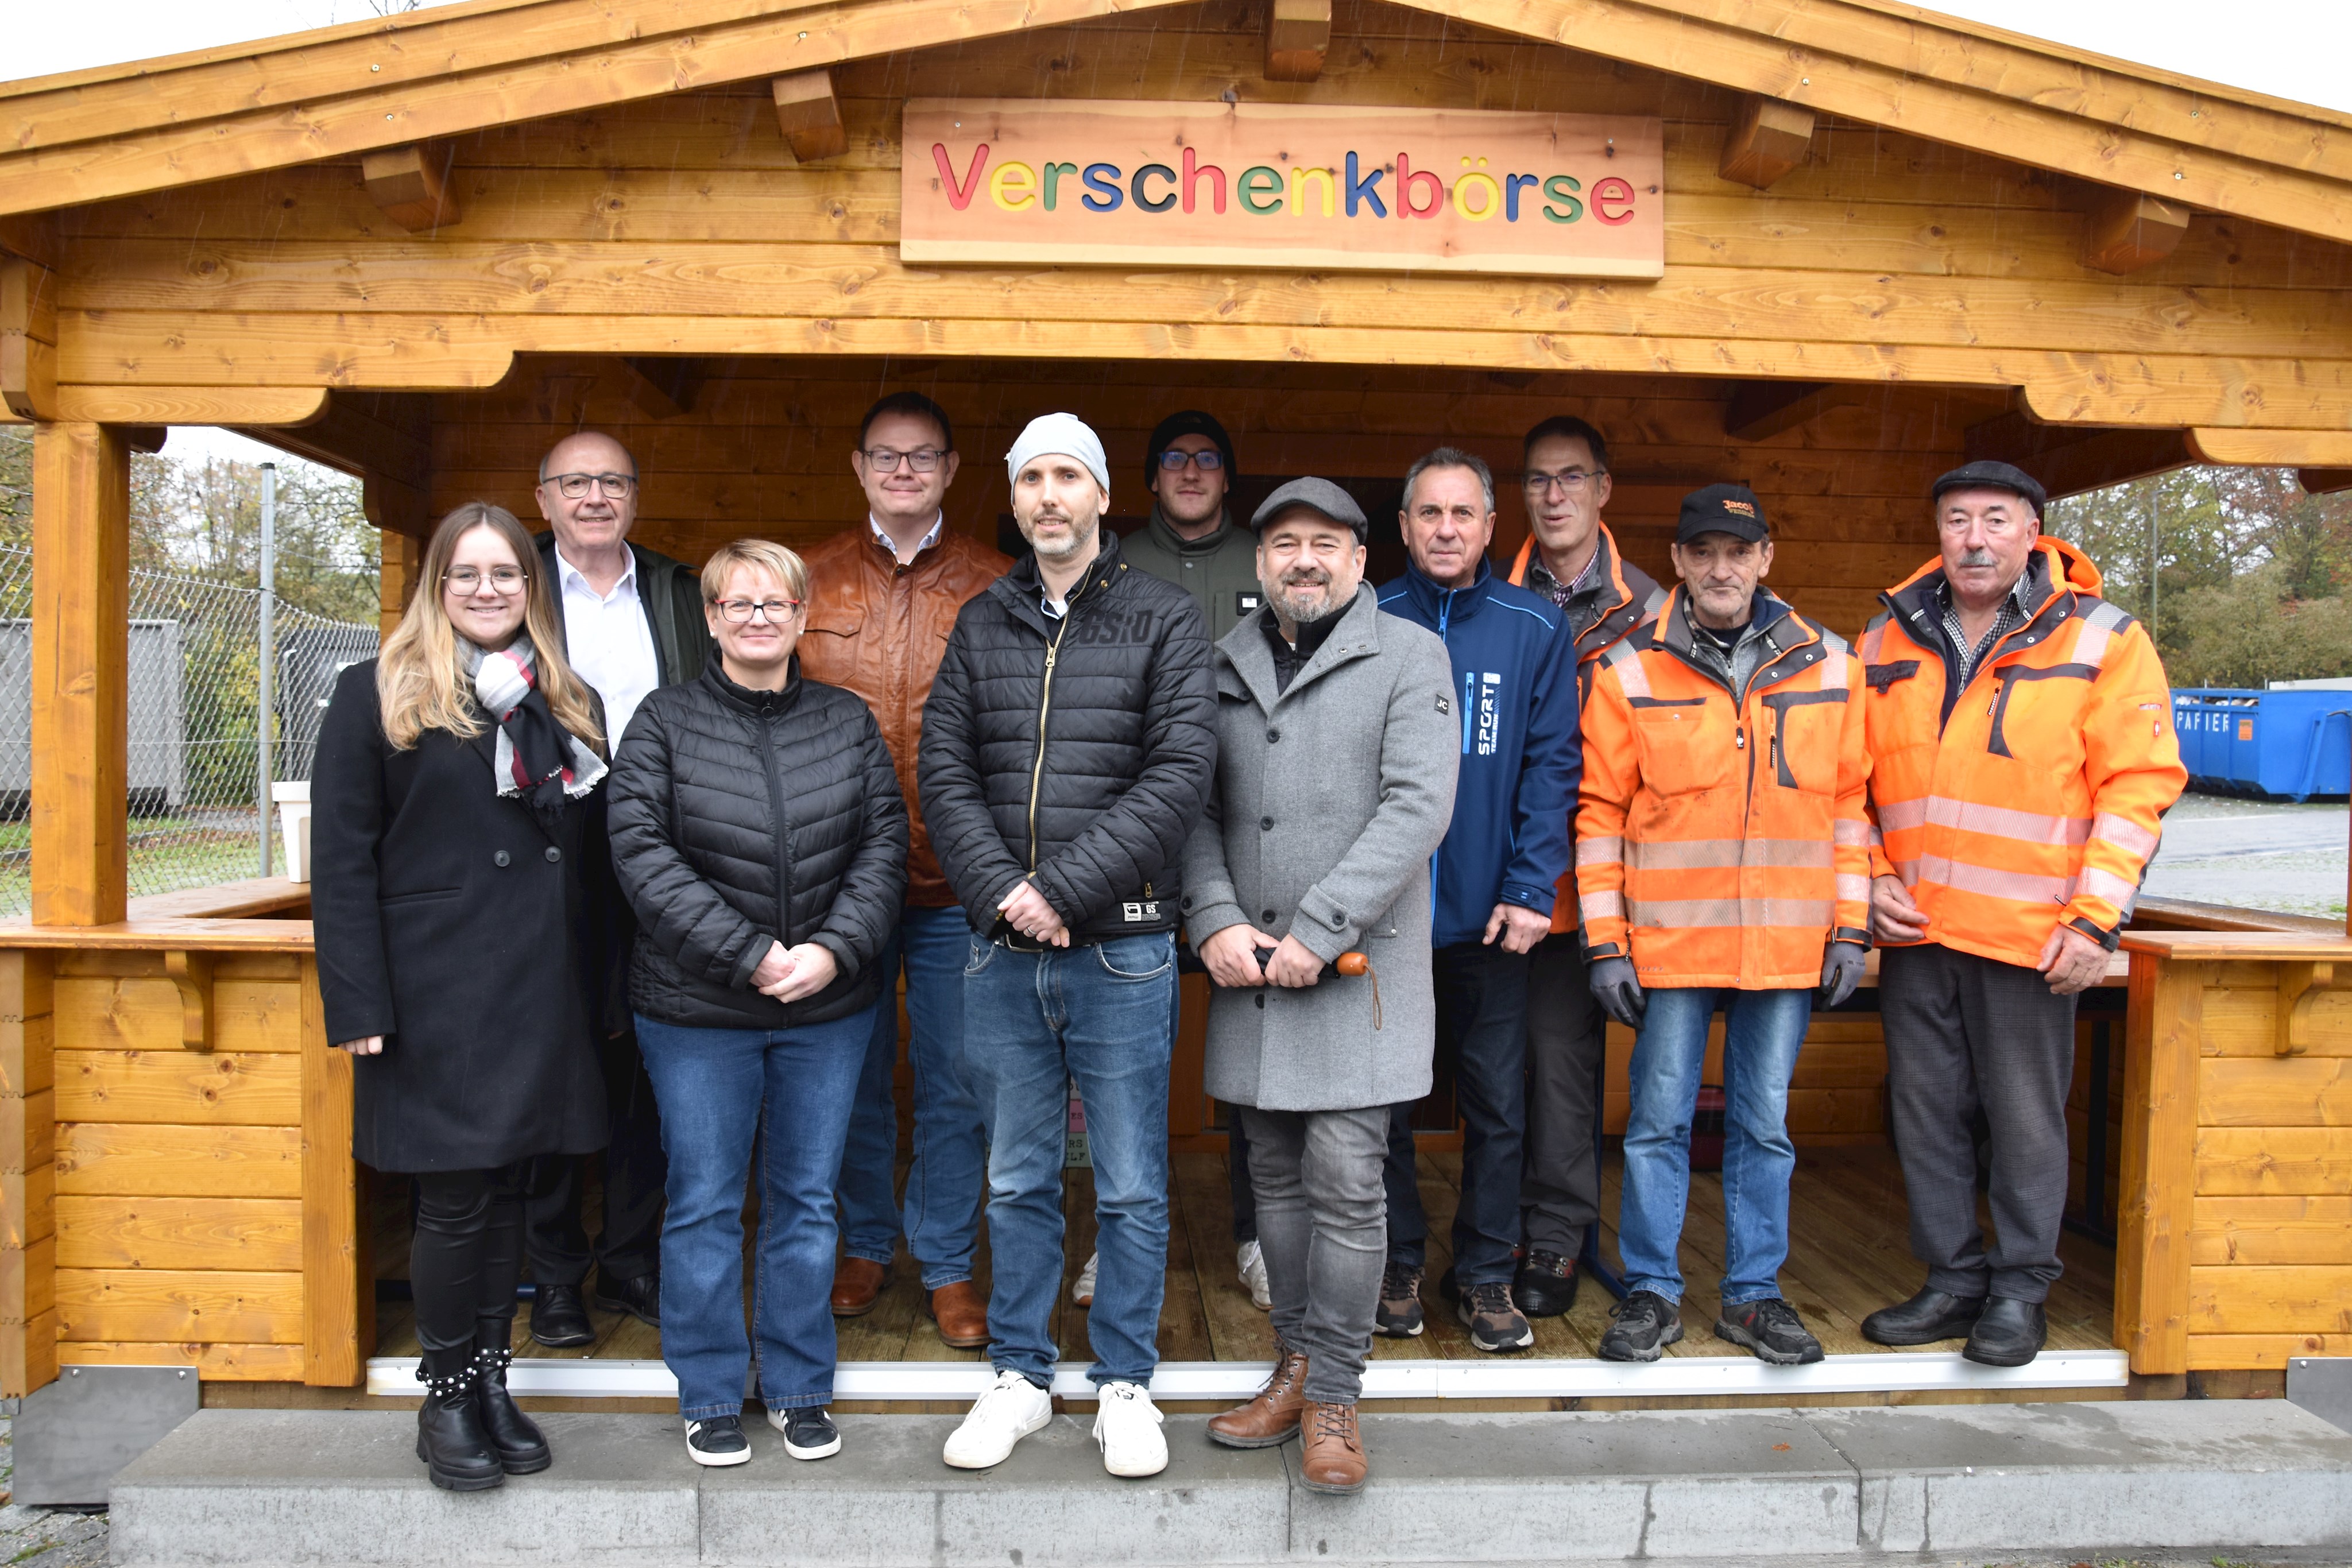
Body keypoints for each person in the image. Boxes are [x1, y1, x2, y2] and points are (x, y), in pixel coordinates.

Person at [918, 413, 1215, 1479]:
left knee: (1134, 1180)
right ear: (1016, 497)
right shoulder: (982, 620)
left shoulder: (1164, 618)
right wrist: (1006, 893)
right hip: (1004, 951)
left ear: (1100, 497)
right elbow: (943, 771)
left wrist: (1060, 891)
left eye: (1067, 477)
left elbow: (1178, 776)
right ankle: (1021, 1376)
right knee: (1017, 1179)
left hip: (1122, 950)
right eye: (1031, 478)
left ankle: (1125, 1382)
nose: (1049, 496)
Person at [311, 501, 613, 1491]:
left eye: (507, 575)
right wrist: (358, 1005)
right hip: (435, 992)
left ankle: (491, 1382)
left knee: (515, 1195)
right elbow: (344, 865)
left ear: (532, 590)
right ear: (435, 588)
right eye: (467, 575)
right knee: (452, 1203)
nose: (488, 591)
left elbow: (592, 863)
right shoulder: (376, 694)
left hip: (539, 990)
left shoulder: (567, 699)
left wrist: (601, 992)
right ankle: (444, 1399)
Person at [1859, 460, 2184, 1366]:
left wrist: (2095, 922)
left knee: (2026, 1120)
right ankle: (1952, 1280)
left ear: (2033, 532)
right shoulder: (1885, 637)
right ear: (1938, 533)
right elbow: (1843, 782)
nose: (1974, 537)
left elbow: (2138, 789)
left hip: (2033, 936)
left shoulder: (2104, 640)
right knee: (1924, 1114)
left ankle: (2019, 1291)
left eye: (1995, 520)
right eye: (1956, 518)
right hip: (1915, 931)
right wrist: (1868, 873)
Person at [606, 539, 910, 1466]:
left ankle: (797, 1385)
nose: (757, 620)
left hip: (826, 1007)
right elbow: (642, 854)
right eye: (738, 605)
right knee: (701, 1200)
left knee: (806, 1202)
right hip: (698, 1014)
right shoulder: (662, 722)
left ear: (799, 614)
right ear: (710, 619)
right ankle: (707, 1392)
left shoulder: (847, 723)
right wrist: (748, 955)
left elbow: (882, 847)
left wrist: (830, 951)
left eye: (775, 604)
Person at [1183, 478, 1457, 1495]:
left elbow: (1418, 806)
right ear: (1261, 563)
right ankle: (1294, 1362)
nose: (1304, 559)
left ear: (1359, 558)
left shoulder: (1411, 656)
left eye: (1325, 544)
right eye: (1285, 543)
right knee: (1275, 1180)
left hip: (1355, 974)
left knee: (1348, 1180)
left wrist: (1317, 927)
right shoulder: (1223, 664)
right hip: (1250, 975)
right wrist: (1211, 920)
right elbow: (1196, 812)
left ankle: (1336, 1388)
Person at [1576, 483, 1871, 1366]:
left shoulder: (1831, 663)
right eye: (1702, 552)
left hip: (1785, 947)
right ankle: (1653, 1293)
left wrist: (1850, 927)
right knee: (1656, 1123)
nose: (1720, 568)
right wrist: (1604, 941)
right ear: (1677, 562)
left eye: (1736, 552)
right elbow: (1598, 815)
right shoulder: (1629, 671)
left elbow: (1851, 806)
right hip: (1669, 947)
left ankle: (1752, 1296)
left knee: (1763, 1126)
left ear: (1765, 559)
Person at [800, 393, 1008, 1348]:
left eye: (923, 457)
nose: (904, 472)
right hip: (838, 884)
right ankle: (864, 1242)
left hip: (957, 883)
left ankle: (951, 1263)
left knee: (959, 1077)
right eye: (886, 456)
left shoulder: (996, 583)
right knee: (851, 1076)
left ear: (953, 470)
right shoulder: (808, 581)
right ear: (858, 466)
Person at [1372, 447, 1580, 1354]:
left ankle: (1488, 1273)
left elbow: (1552, 767)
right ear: (1405, 525)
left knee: (1499, 1108)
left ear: (1494, 528)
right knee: (1380, 1106)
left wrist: (1534, 888)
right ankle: (1396, 1262)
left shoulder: (1533, 626)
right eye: (1429, 514)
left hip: (1494, 922)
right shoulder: (1365, 617)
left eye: (1464, 514)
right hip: (1385, 919)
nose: (1446, 530)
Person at [523, 429, 710, 1348]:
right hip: (541, 849)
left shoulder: (677, 589)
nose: (594, 497)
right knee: (553, 1057)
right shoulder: (508, 586)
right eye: (575, 483)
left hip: (663, 846)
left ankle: (633, 1253)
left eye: (612, 482)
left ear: (635, 496)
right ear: (545, 497)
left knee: (653, 1054)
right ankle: (553, 1272)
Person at [1502, 415, 1664, 1319]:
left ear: (1603, 490)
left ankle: (1558, 1241)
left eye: (1571, 478)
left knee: (1563, 1077)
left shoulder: (1653, 609)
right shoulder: (1495, 595)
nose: (1553, 495)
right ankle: (1493, 1238)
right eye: (1538, 479)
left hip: (1600, 893)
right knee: (1495, 1075)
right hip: (1501, 887)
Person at [1113, 407, 1272, 1314]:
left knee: (1253, 1056)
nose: (1190, 470)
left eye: (1208, 458)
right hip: (1134, 843)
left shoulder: (1265, 558)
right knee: (1126, 1057)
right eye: (1173, 457)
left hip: (1249, 838)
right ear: (1150, 476)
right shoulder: (1115, 562)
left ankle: (1255, 1235)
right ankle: (1129, 1240)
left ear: (1227, 476)